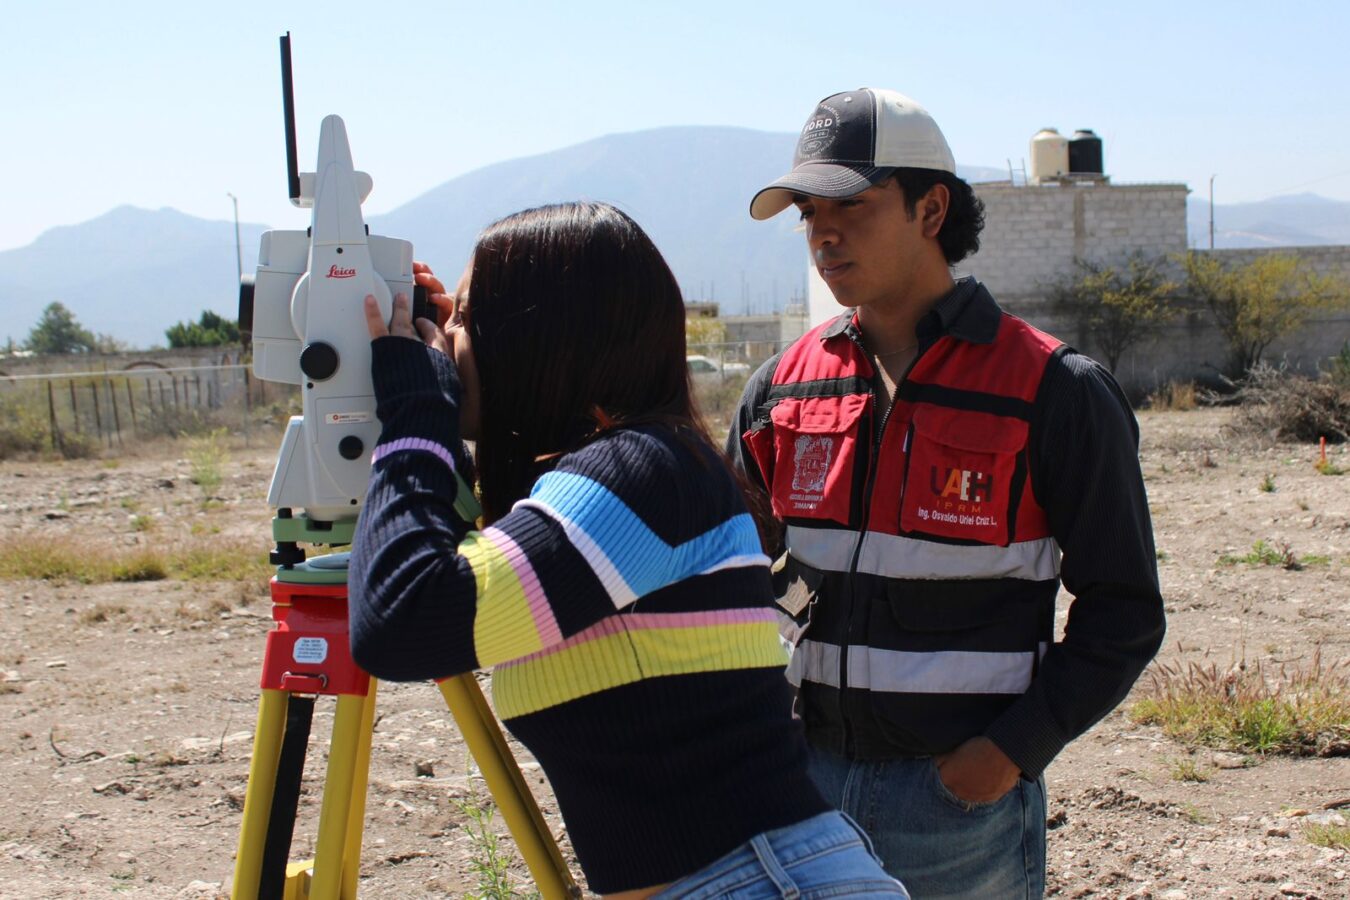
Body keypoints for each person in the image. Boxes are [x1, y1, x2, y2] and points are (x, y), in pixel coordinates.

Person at [348, 201, 909, 899]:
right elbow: (422, 557)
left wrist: (413, 411)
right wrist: (427, 394)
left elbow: (402, 617)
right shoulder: (627, 480)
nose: (446, 341)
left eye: (464, 318)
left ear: (537, 336)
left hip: (766, 882)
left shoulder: (641, 474)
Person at [727, 89, 1167, 898]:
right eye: (808, 211)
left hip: (951, 807)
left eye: (851, 205)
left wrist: (1004, 757)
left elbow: (1125, 608)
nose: (822, 231)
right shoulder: (779, 391)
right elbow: (730, 583)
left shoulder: (1053, 390)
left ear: (931, 209)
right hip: (798, 791)